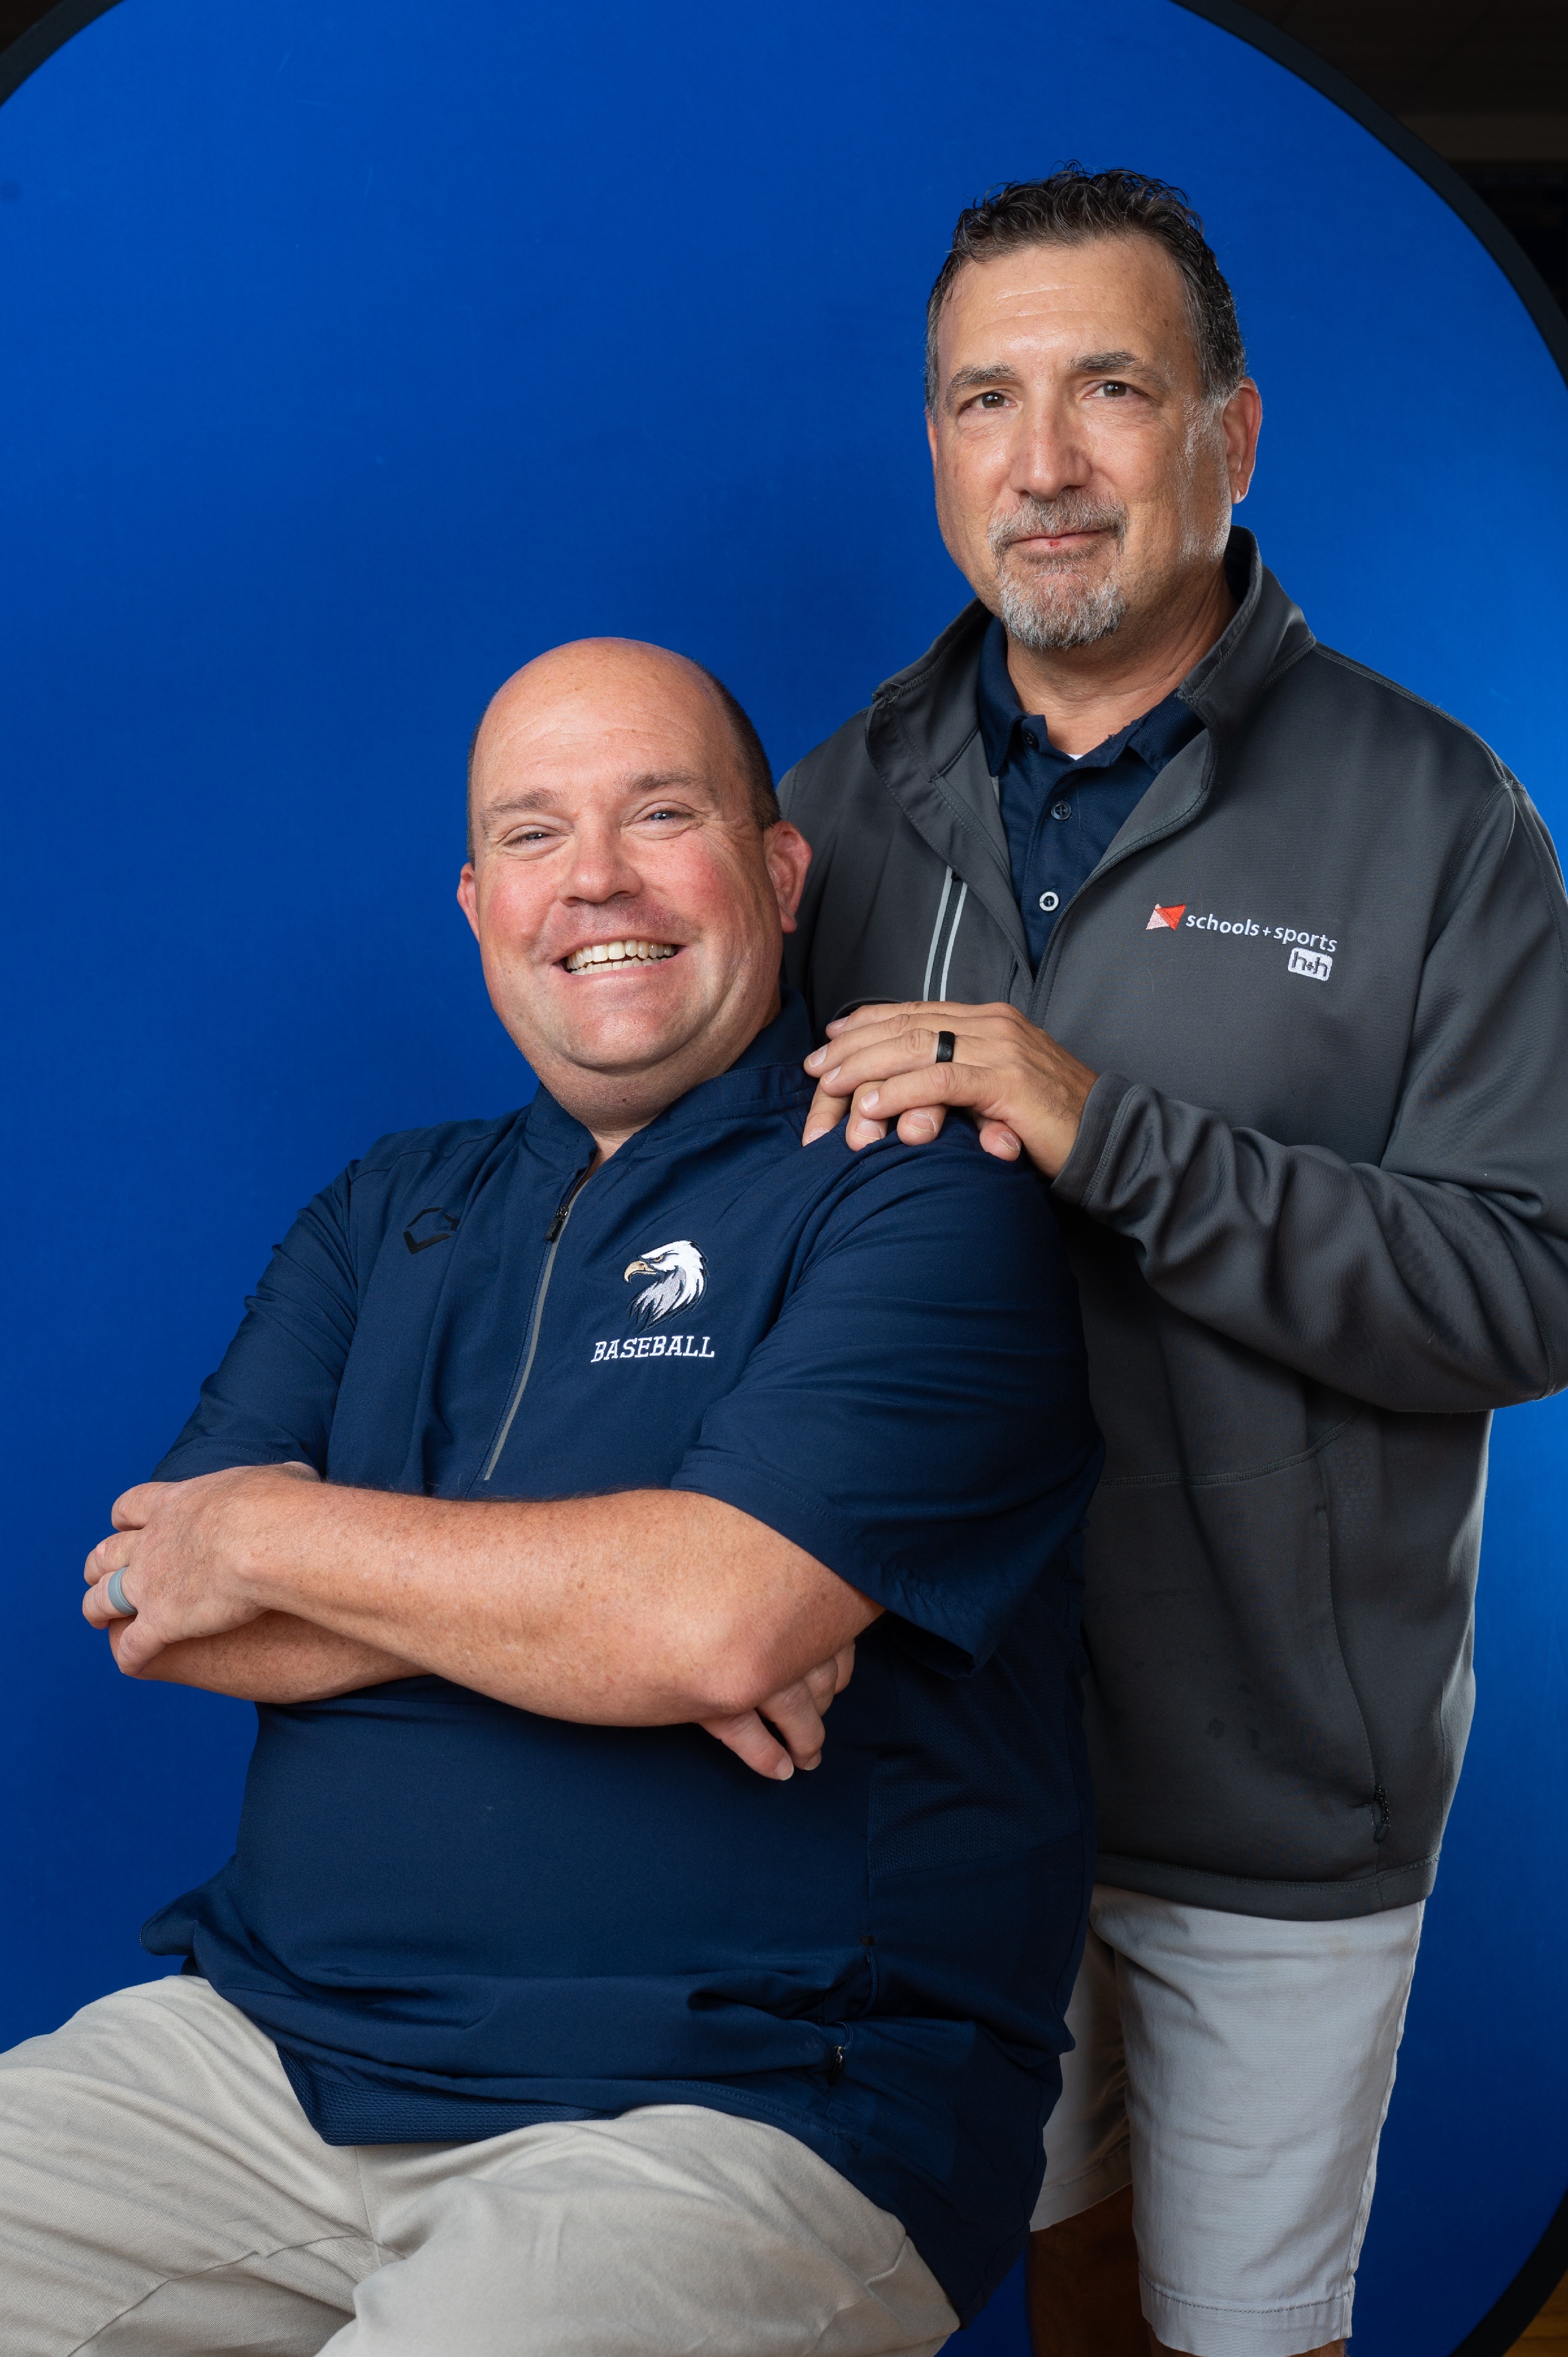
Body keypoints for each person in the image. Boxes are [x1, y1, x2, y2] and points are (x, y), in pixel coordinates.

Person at [0, 639, 1102, 2356]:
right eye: (531, 834)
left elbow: (709, 1620)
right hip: (262, 2057)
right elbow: (160, 1603)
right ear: (477, 904)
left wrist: (279, 1536)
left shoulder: (919, 1191)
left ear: (778, 872)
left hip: (735, 2107)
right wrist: (616, 1613)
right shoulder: (387, 1209)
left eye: (660, 814)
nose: (594, 878)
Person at [778, 168, 1568, 2357]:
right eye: (986, 400)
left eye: (1109, 389)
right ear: (936, 446)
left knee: (1244, 2333)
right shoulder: (839, 802)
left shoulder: (1439, 818)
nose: (1043, 461)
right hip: (943, 1760)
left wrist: (1104, 1129)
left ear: (1231, 432)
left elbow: (1529, 1285)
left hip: (1279, 1792)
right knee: (1060, 2280)